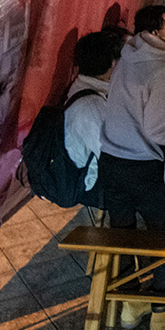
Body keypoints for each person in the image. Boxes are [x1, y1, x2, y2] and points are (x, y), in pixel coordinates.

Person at [100, 4, 165, 330]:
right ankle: (162, 313)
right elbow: (159, 131)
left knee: (123, 233)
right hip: (142, 166)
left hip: (111, 159)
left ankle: (131, 303)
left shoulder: (131, 53)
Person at [61, 29, 121, 220]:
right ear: (112, 64)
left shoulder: (86, 88)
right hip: (90, 183)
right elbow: (110, 155)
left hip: (94, 170)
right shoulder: (91, 106)